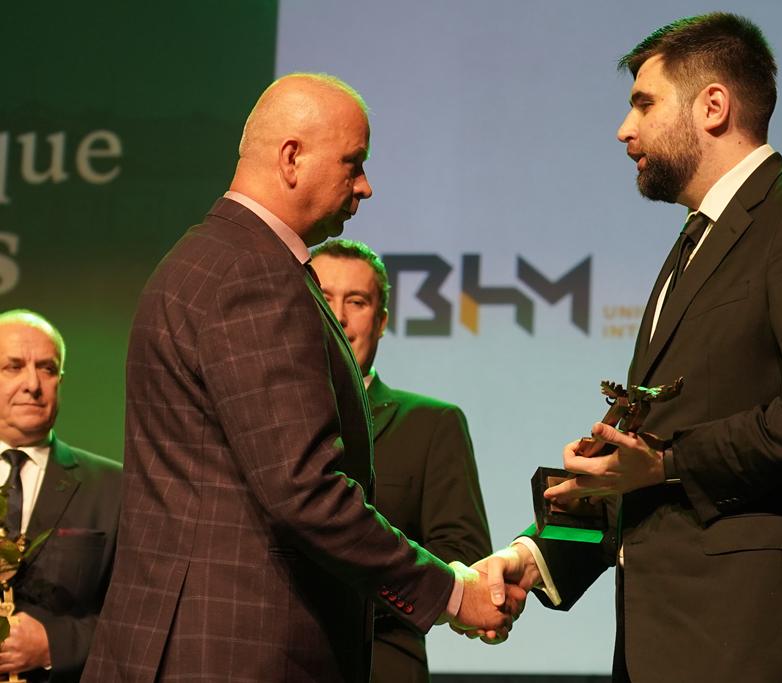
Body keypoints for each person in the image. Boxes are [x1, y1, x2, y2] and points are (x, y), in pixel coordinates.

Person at [471, 13, 782, 682]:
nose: (624, 129)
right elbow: (649, 463)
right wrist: (535, 556)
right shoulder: (695, 242)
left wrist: (668, 461)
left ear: (713, 106)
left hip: (765, 646)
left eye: (644, 104)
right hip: (677, 645)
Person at [82, 74, 520, 683]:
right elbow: (304, 491)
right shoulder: (253, 274)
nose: (365, 185)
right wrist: (449, 591)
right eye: (353, 163)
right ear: (291, 158)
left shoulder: (207, 256)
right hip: (236, 654)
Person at [310, 238, 492, 683]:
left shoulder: (431, 424)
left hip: (382, 663)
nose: (339, 316)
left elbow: (464, 558)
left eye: (356, 301)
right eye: (324, 298)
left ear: (382, 321)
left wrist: (356, 584)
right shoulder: (256, 415)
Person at [0, 309, 121, 682]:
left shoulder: (115, 487)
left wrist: (54, 645)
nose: (33, 384)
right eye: (13, 367)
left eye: (47, 369)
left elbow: (145, 613)